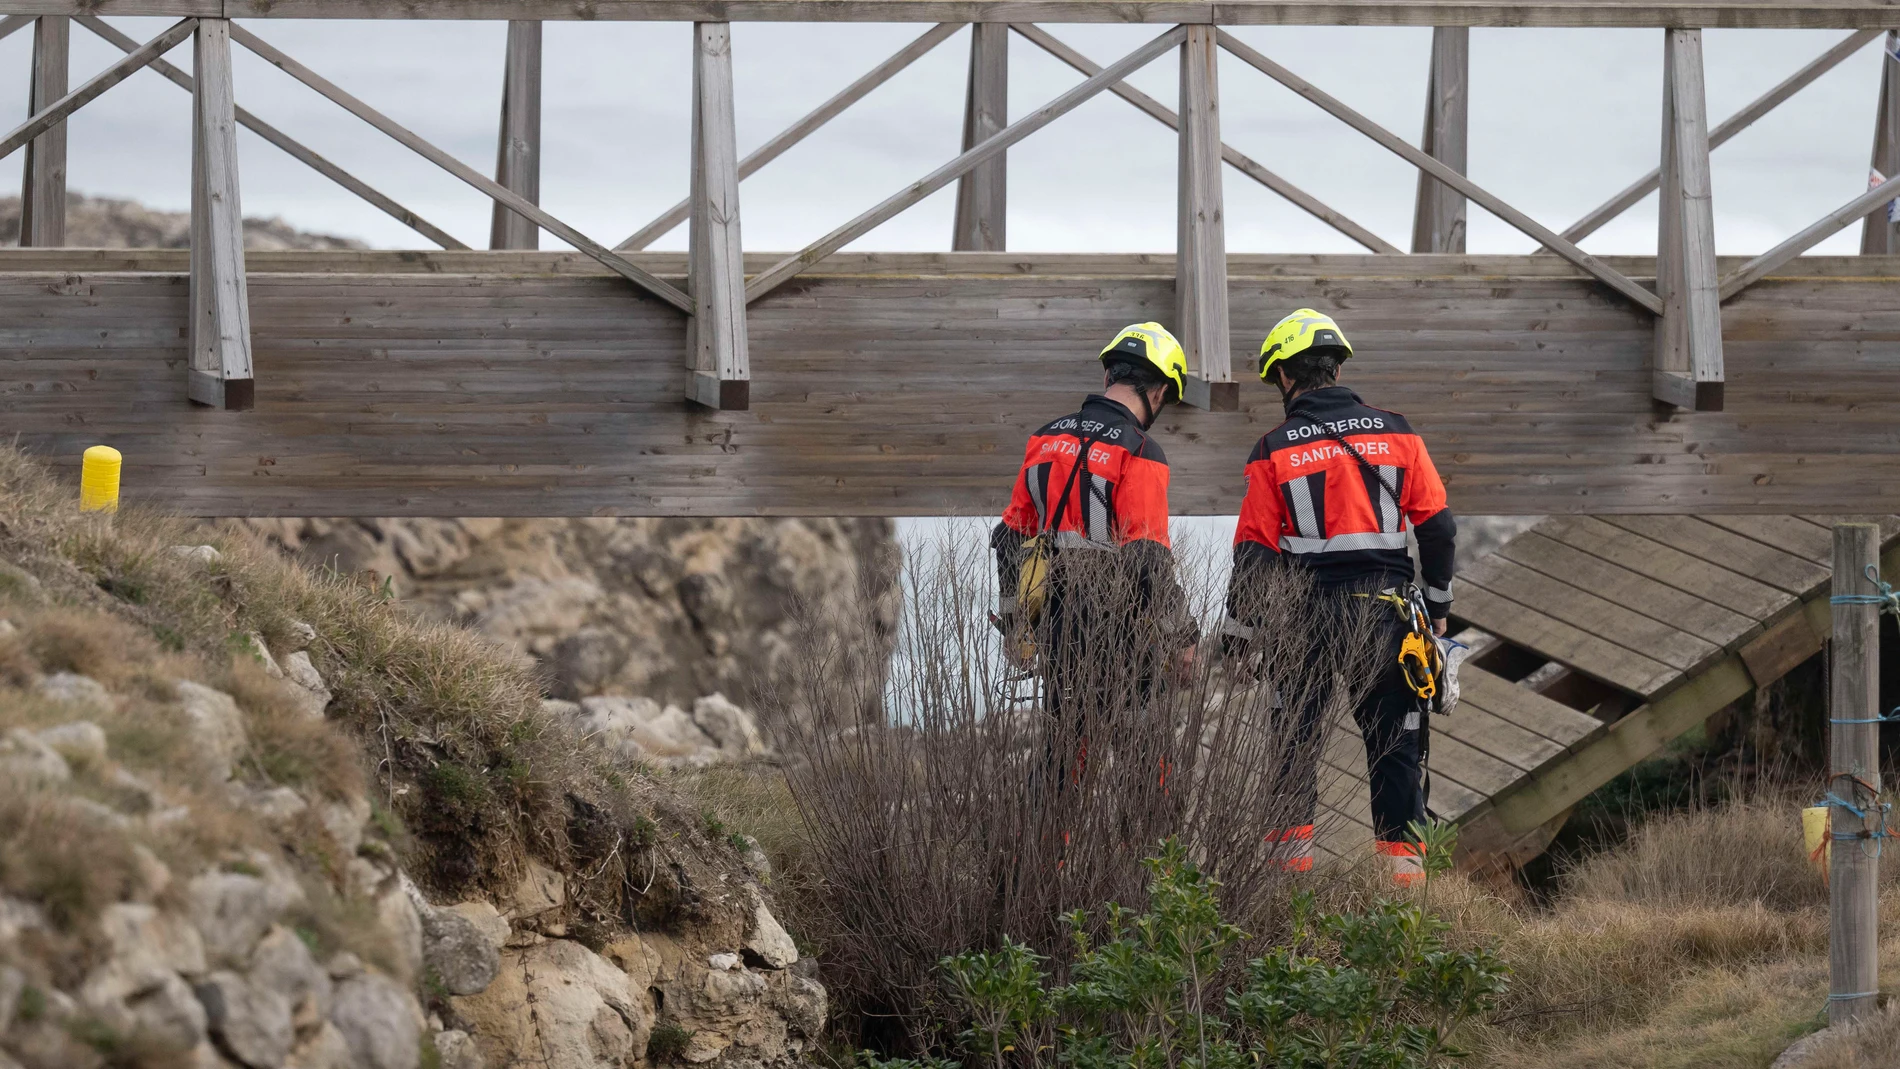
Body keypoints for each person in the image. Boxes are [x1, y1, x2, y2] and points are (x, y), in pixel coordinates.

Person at [1221, 309, 1457, 887]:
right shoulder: (1398, 432)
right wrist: (1440, 605)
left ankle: (1283, 898)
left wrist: (1240, 634)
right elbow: (1439, 529)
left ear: (1284, 377)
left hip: (1301, 620)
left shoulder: (1271, 448)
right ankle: (1402, 910)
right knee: (1396, 754)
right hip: (1387, 614)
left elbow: (1254, 554)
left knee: (1291, 755)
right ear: (1338, 365)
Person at [992, 322, 1198, 807]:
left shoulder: (1045, 439)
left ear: (1109, 376)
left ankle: (1038, 870)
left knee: (1063, 761)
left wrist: (1016, 624)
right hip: (1122, 629)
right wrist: (1183, 637)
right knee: (1149, 770)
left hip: (1060, 628)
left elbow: (1008, 538)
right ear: (1161, 390)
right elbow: (1147, 556)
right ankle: (1152, 875)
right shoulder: (1141, 449)